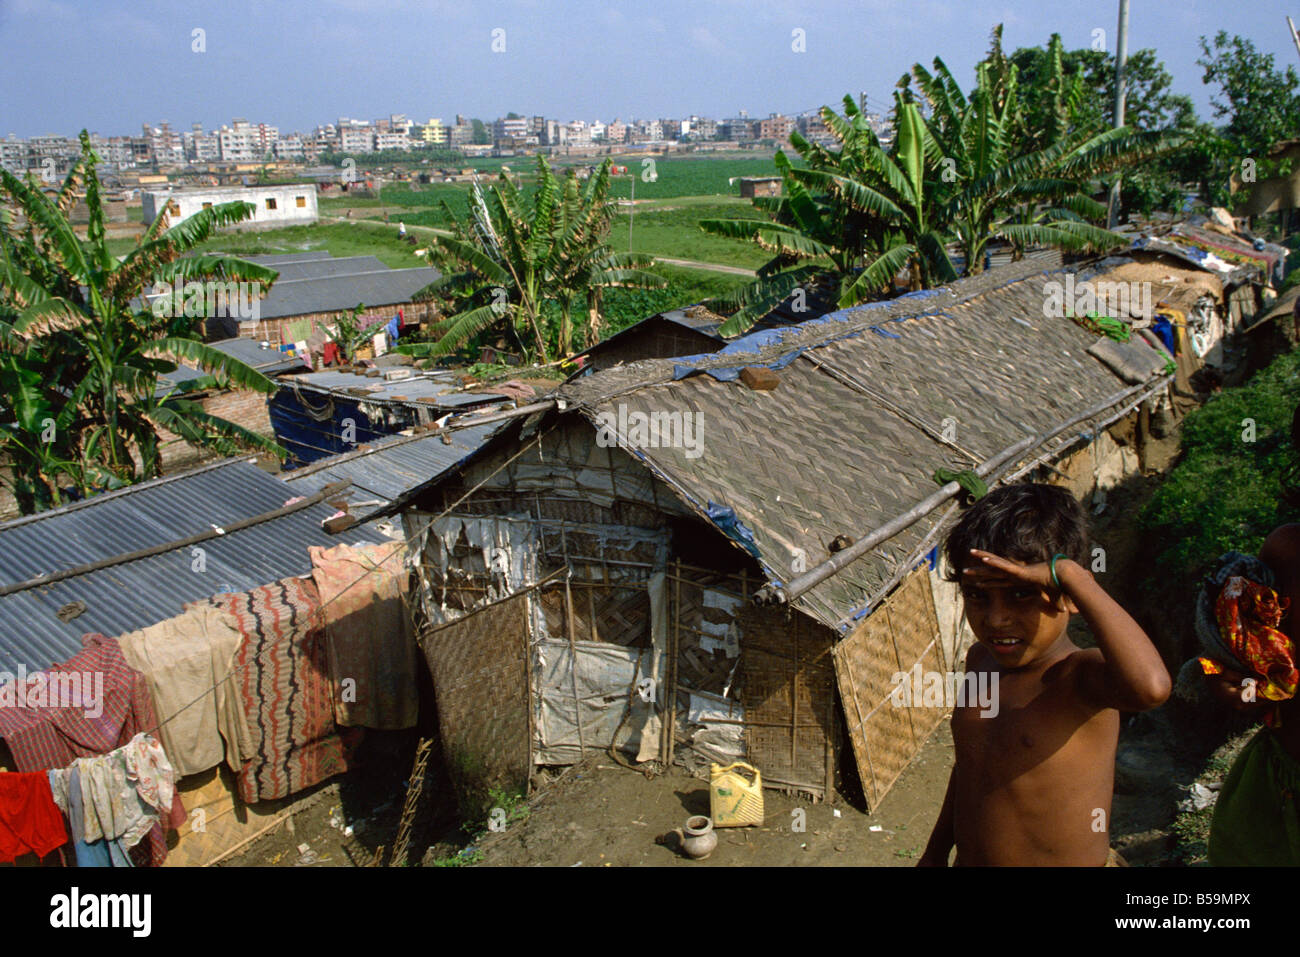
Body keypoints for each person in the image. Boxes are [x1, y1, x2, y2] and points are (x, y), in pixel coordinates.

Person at [918, 483, 1170, 866]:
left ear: (1066, 596)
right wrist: (935, 854)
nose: (995, 617)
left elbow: (1151, 688)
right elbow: (971, 768)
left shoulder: (1080, 679)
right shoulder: (979, 661)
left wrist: (1072, 575)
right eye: (977, 594)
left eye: (1021, 594)